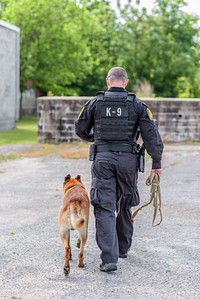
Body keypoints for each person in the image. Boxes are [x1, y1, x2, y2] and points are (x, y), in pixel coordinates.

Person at [75, 67, 163, 272]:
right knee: (125, 203)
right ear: (125, 82)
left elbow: (80, 129)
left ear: (108, 81)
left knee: (104, 207)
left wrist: (94, 139)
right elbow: (151, 136)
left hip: (103, 159)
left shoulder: (94, 103)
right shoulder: (138, 105)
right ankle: (122, 248)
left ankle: (109, 259)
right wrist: (156, 164)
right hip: (128, 161)